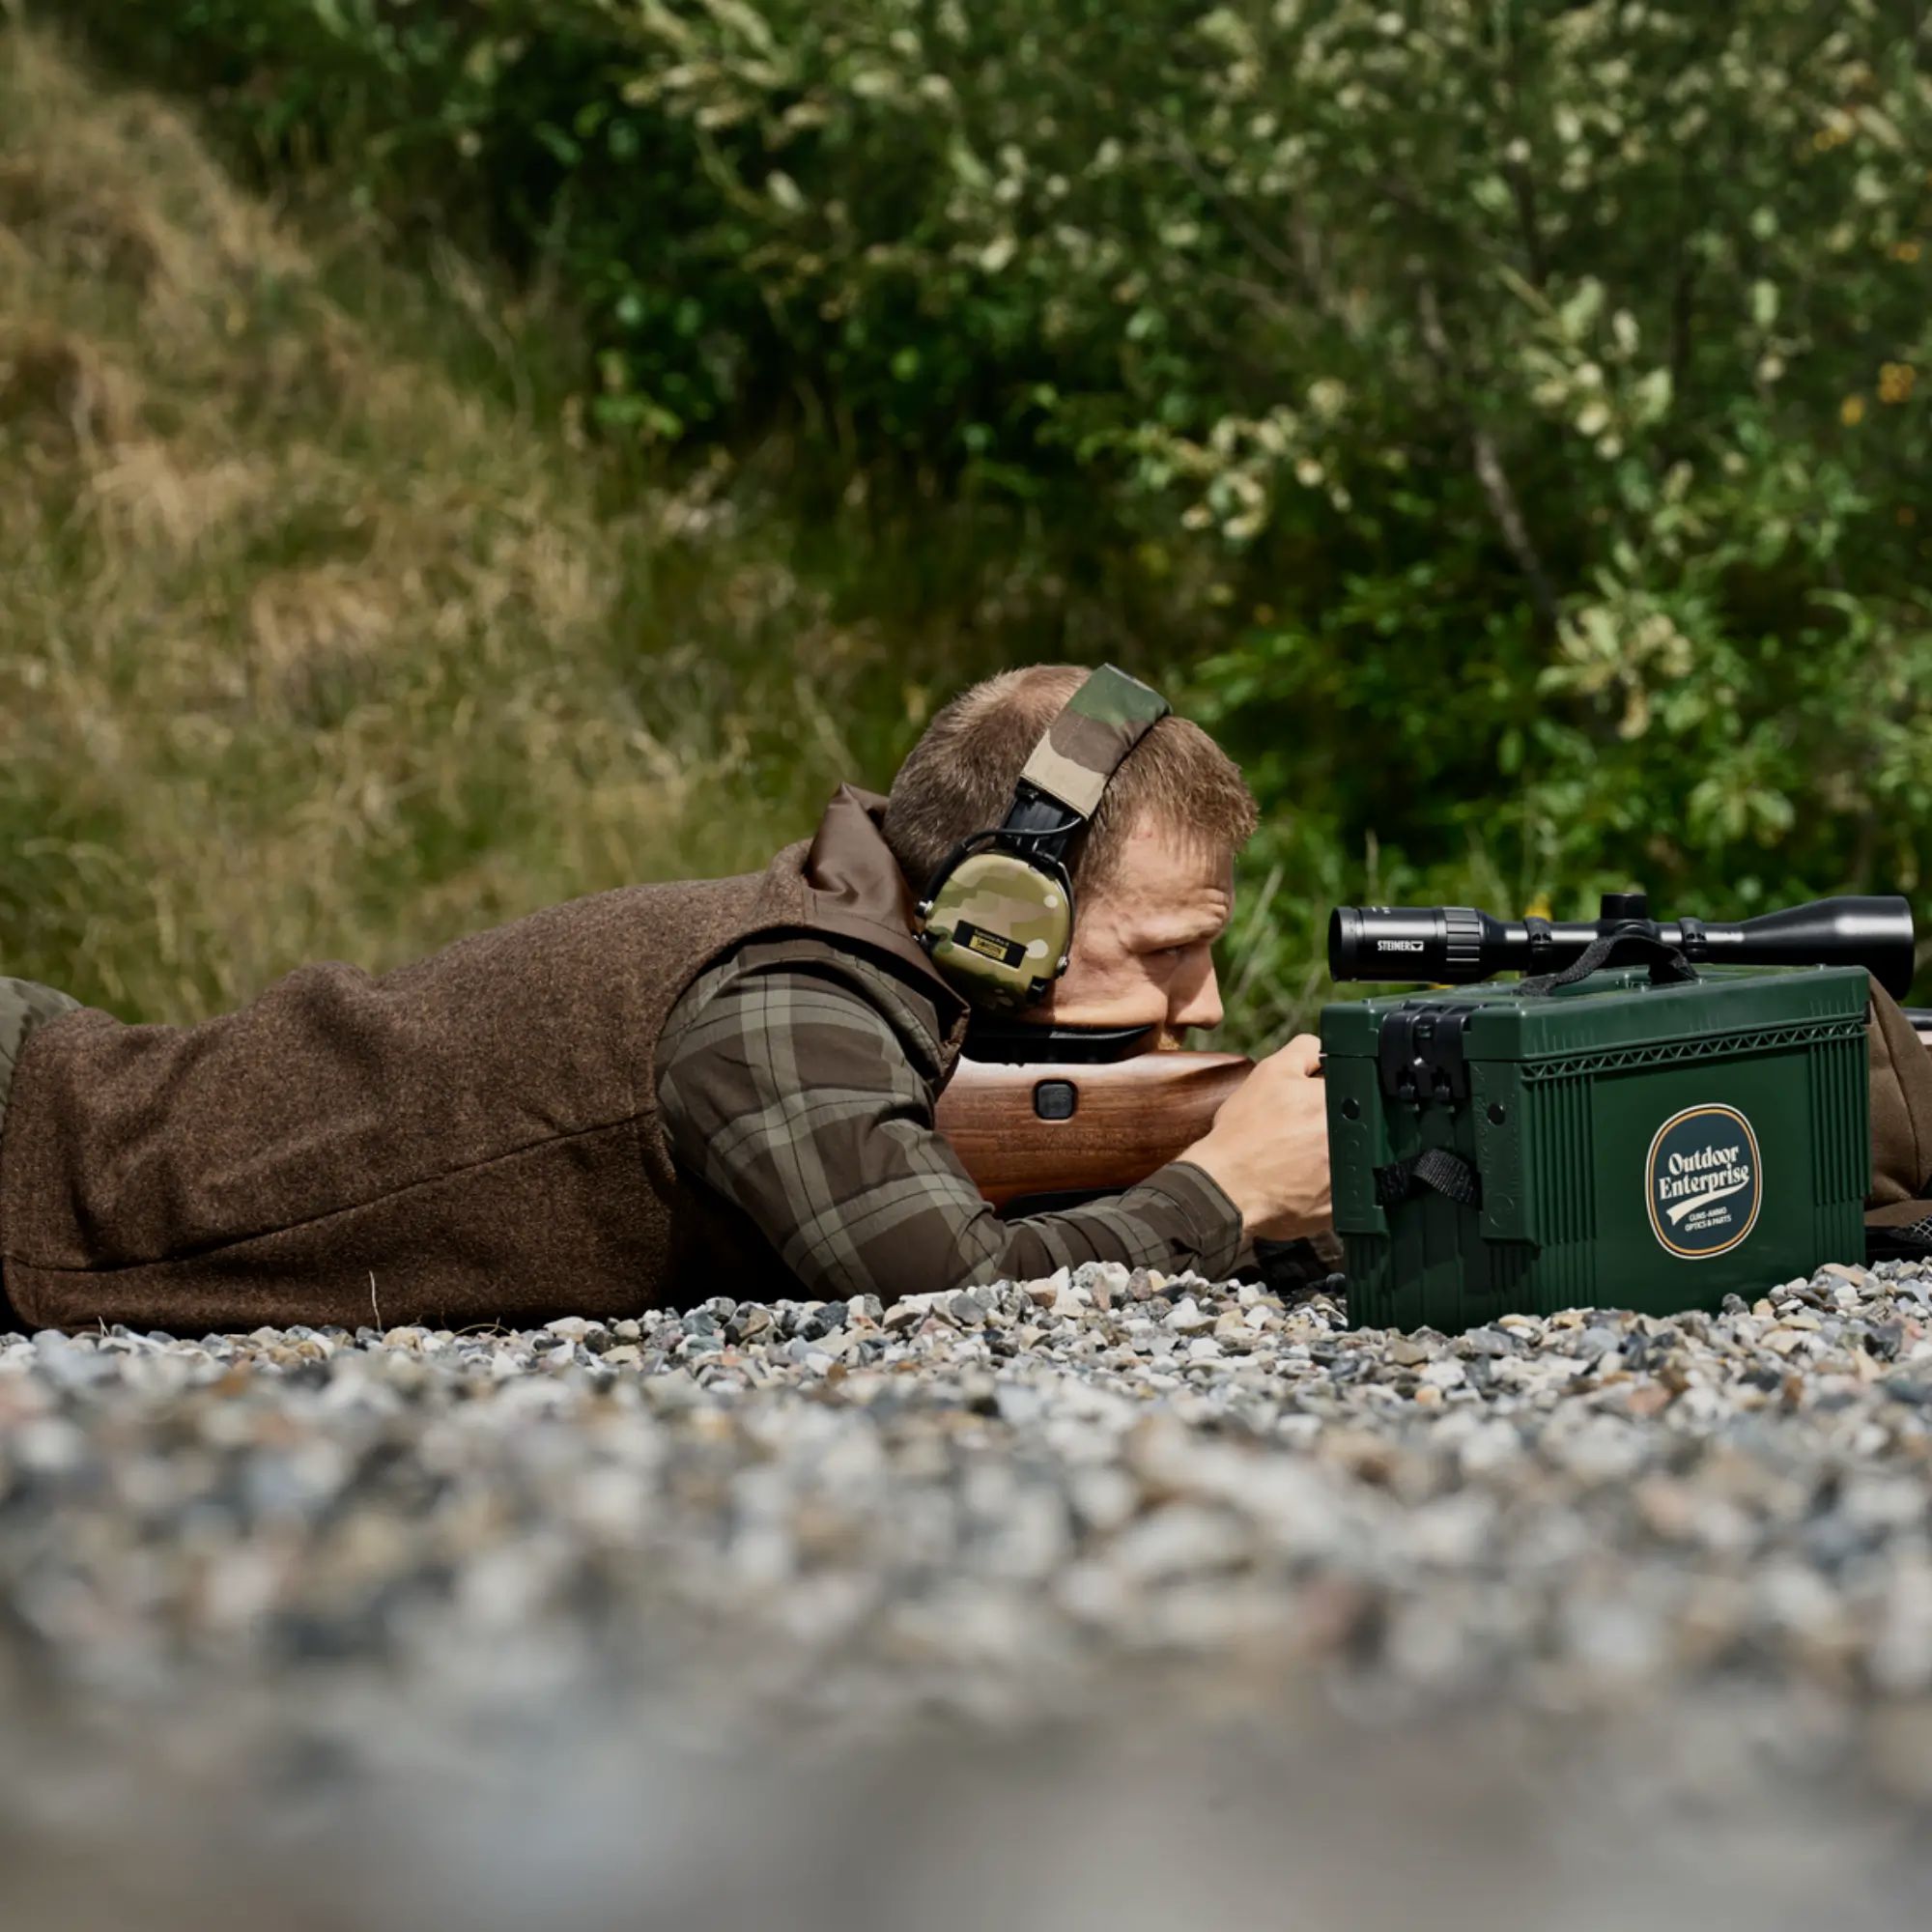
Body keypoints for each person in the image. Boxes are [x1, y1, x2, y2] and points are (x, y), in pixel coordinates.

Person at [0, 664, 1331, 1334]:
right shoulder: (792, 1001)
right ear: (1003, 906)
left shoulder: (892, 975)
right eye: (1166, 947)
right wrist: (1226, 1193)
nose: (1204, 1004)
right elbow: (943, 1294)